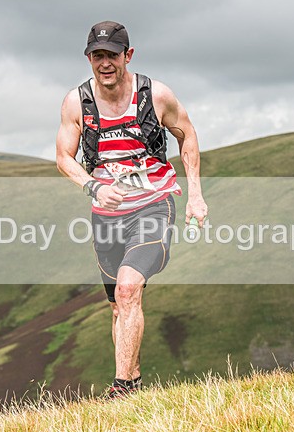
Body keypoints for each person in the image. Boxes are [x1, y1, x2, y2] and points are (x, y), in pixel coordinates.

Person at [56, 21, 207, 399]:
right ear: (89, 58)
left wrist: (195, 194)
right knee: (118, 306)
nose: (105, 63)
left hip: (153, 206)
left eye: (112, 55)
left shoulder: (156, 95)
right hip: (106, 216)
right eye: (97, 56)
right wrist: (94, 186)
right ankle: (133, 383)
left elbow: (187, 135)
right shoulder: (77, 102)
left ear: (128, 55)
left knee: (127, 290)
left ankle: (121, 388)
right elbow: (63, 158)